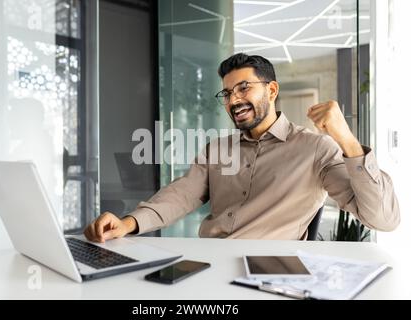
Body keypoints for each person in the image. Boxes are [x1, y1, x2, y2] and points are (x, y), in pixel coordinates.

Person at [84, 53, 400, 242]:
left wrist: (347, 140)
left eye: (244, 88)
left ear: (272, 89)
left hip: (266, 274)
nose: (234, 100)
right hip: (209, 262)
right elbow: (182, 194)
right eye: (226, 93)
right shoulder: (217, 149)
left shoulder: (316, 148)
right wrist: (129, 223)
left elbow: (384, 219)